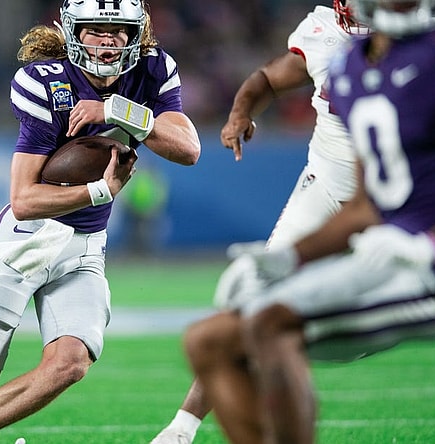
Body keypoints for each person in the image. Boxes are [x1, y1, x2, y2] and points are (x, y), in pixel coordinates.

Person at [0, 1, 201, 442]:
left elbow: (188, 148)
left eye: (117, 30)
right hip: (27, 240)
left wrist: (117, 110)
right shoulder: (44, 82)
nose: (107, 40)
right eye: (95, 29)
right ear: (74, 31)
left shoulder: (152, 69)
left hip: (86, 244)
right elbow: (23, 200)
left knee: (70, 363)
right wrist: (100, 191)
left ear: (137, 34)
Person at [184, 0, 435, 442]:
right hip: (370, 225)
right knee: (208, 341)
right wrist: (288, 258)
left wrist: (433, 241)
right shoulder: (347, 66)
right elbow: (365, 205)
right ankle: (183, 427)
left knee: (268, 325)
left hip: (433, 260)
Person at [151, 2, 368, 441]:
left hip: (397, 205)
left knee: (349, 339)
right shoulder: (324, 30)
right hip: (325, 185)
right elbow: (268, 78)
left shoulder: (434, 42)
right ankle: (181, 428)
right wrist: (241, 110)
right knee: (250, 299)